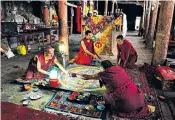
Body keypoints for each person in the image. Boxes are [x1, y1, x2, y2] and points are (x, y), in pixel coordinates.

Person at [82, 60, 149, 118]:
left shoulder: (105, 73)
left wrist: (86, 76)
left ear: (103, 68)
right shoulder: (119, 68)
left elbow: (94, 76)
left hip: (126, 102)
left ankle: (120, 106)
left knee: (106, 94)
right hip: (137, 95)